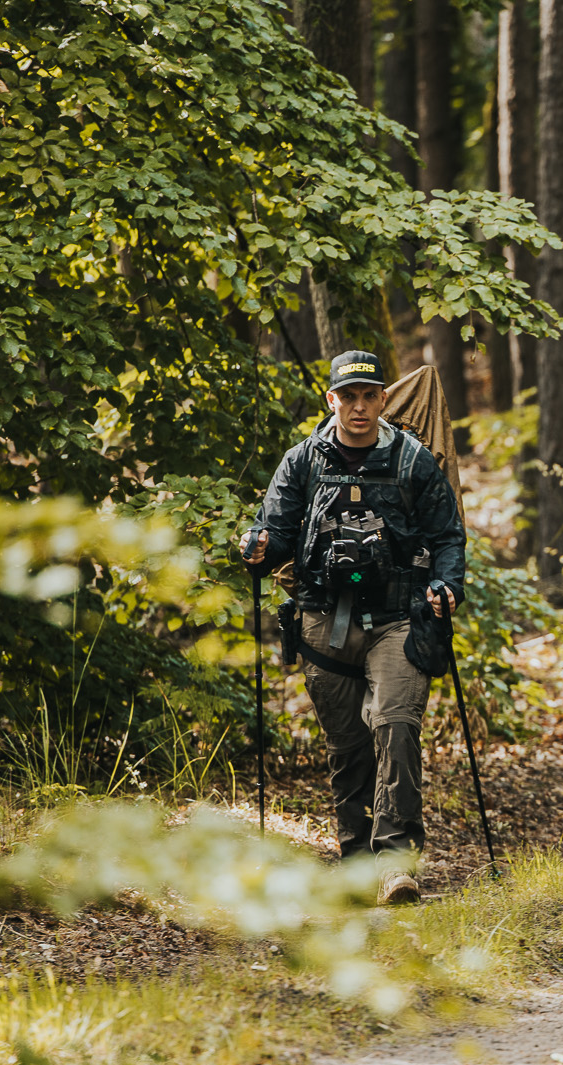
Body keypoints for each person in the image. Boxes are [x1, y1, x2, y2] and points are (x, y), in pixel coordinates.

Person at [241, 350, 467, 904]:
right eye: (350, 396)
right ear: (332, 401)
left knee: (394, 725)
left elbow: (447, 538)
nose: (360, 406)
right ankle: (356, 862)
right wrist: (256, 547)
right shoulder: (303, 462)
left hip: (398, 619)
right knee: (349, 748)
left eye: (370, 396)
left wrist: (446, 586)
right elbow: (274, 532)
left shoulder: (414, 461)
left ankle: (396, 865)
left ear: (384, 400)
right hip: (324, 621)